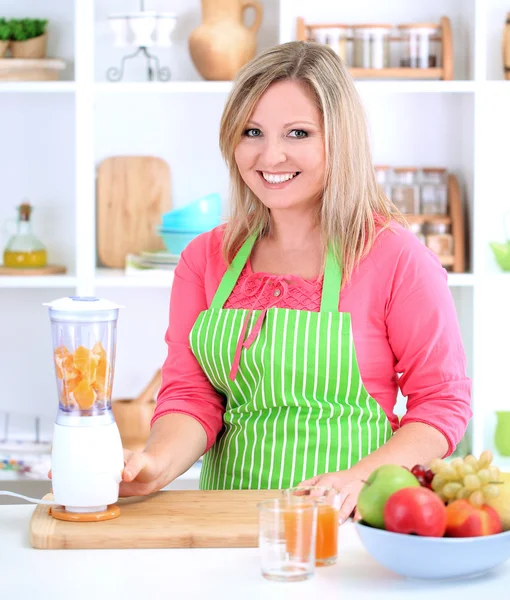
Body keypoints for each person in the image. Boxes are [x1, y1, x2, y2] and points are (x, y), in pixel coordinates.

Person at [121, 41, 472, 523]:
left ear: (339, 140)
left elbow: (442, 403)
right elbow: (191, 395)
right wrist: (155, 465)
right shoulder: (205, 259)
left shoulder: (396, 258)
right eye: (253, 131)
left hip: (347, 526)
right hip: (229, 524)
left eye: (298, 133)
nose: (271, 155)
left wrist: (360, 478)